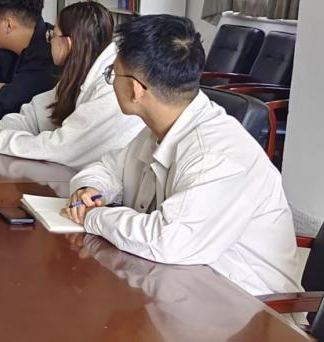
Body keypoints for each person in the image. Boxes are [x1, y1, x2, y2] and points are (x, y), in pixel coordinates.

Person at [63, 15, 301, 297]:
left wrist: (94, 216)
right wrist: (90, 188)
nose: (112, 83)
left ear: (136, 89)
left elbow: (167, 240)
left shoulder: (216, 154)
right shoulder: (163, 126)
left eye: (113, 75)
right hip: (182, 285)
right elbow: (109, 167)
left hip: (248, 304)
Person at [0, 2, 144, 169]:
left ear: (67, 43)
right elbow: (35, 116)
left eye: (52, 36)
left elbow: (64, 147)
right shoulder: (80, 74)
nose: (49, 41)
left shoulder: (109, 85)